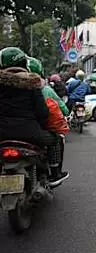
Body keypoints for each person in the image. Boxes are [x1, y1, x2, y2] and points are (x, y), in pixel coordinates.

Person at [0, 47, 68, 184]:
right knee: (56, 138)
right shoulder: (32, 83)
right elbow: (43, 113)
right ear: (25, 63)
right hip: (31, 134)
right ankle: (55, 174)